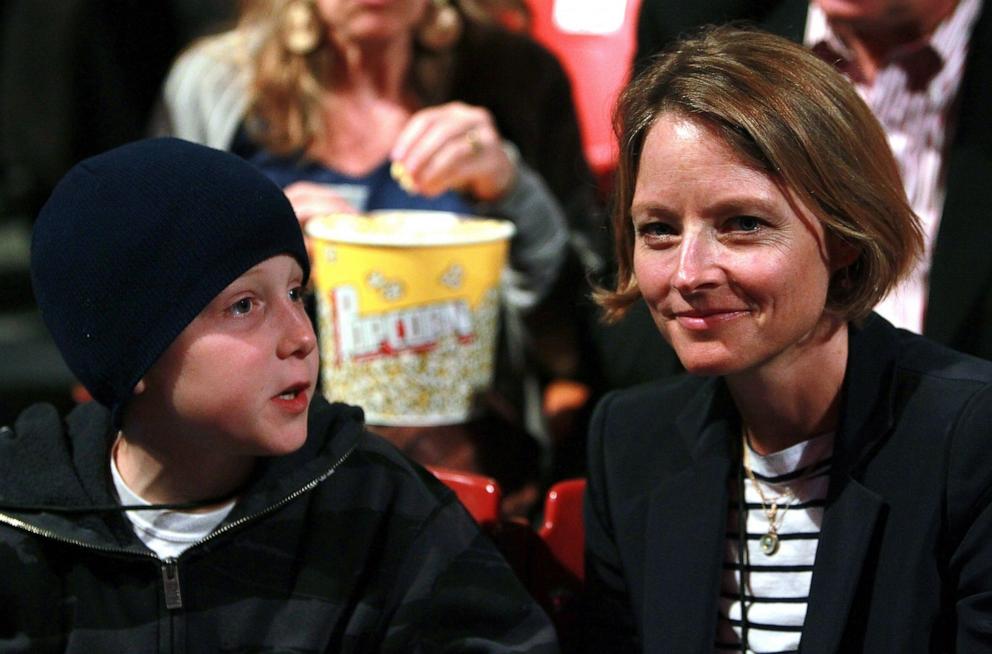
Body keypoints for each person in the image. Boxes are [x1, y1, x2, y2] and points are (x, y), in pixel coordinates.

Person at [0, 137, 558, 652]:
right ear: (132, 352)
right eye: (244, 306)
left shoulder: (380, 505)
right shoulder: (23, 523)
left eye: (296, 292)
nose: (300, 336)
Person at [582, 26, 992, 652]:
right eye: (659, 230)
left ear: (845, 234)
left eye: (742, 224)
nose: (689, 273)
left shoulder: (970, 437)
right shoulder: (630, 444)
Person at [154, 0, 603, 484]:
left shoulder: (517, 76)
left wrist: (511, 189)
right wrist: (255, 248)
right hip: (260, 464)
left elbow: (584, 329)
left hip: (465, 458)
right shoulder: (216, 83)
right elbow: (155, 304)